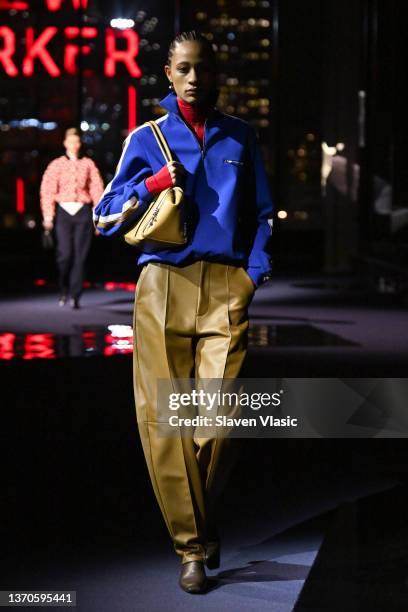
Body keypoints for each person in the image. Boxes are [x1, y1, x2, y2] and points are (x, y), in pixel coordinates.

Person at [93, 30, 274, 593]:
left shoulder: (240, 137)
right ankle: (192, 547)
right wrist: (150, 183)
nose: (195, 77)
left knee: (219, 418)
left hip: (226, 284)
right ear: (168, 74)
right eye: (184, 68)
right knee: (164, 424)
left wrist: (252, 274)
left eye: (204, 68)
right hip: (161, 283)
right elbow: (104, 216)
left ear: (216, 74)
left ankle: (194, 519)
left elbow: (263, 214)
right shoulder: (146, 138)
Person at [40, 127, 104, 309]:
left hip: (83, 212)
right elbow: (48, 190)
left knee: (80, 256)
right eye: (71, 141)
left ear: (80, 143)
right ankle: (63, 288)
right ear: (65, 143)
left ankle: (76, 295)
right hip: (64, 212)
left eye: (77, 141)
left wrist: (97, 218)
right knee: (65, 255)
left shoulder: (88, 164)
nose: (74, 145)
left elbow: (97, 190)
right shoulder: (56, 164)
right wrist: (48, 216)